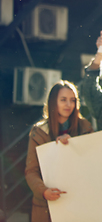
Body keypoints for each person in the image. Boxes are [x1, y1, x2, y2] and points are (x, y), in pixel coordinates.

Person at [25, 81, 93, 222]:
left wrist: (73, 144)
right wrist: (43, 191)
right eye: (63, 100)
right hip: (47, 205)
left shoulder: (84, 127)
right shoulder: (39, 132)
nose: (68, 105)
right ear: (53, 102)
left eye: (72, 100)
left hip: (78, 202)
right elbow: (31, 171)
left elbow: (93, 160)